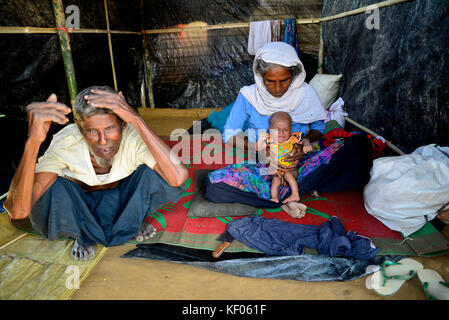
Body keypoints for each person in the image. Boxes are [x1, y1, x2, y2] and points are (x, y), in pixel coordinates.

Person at [4, 85, 189, 261]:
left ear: (123, 124)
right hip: (84, 208)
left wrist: (137, 120)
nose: (102, 141)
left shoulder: (132, 135)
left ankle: (134, 219)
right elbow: (19, 210)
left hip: (121, 200)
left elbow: (178, 177)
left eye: (110, 128)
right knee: (49, 190)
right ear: (79, 127)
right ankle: (82, 234)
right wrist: (33, 142)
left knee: (161, 171)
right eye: (92, 131)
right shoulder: (66, 143)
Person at [204, 42, 373, 218]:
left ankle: (284, 193)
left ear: (295, 75)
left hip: (302, 158)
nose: (277, 89)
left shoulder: (306, 93)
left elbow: (318, 128)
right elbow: (229, 135)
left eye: (284, 80)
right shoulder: (248, 96)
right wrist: (258, 147)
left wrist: (304, 142)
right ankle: (295, 193)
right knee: (213, 185)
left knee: (359, 144)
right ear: (260, 76)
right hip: (265, 163)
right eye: (270, 81)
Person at [262, 111, 303, 204]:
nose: (281, 133)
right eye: (276, 130)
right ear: (270, 130)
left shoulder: (292, 139)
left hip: (291, 170)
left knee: (288, 174)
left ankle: (295, 194)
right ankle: (274, 198)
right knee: (275, 181)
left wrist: (307, 146)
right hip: (278, 172)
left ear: (291, 130)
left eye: (286, 130)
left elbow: (303, 144)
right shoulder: (269, 141)